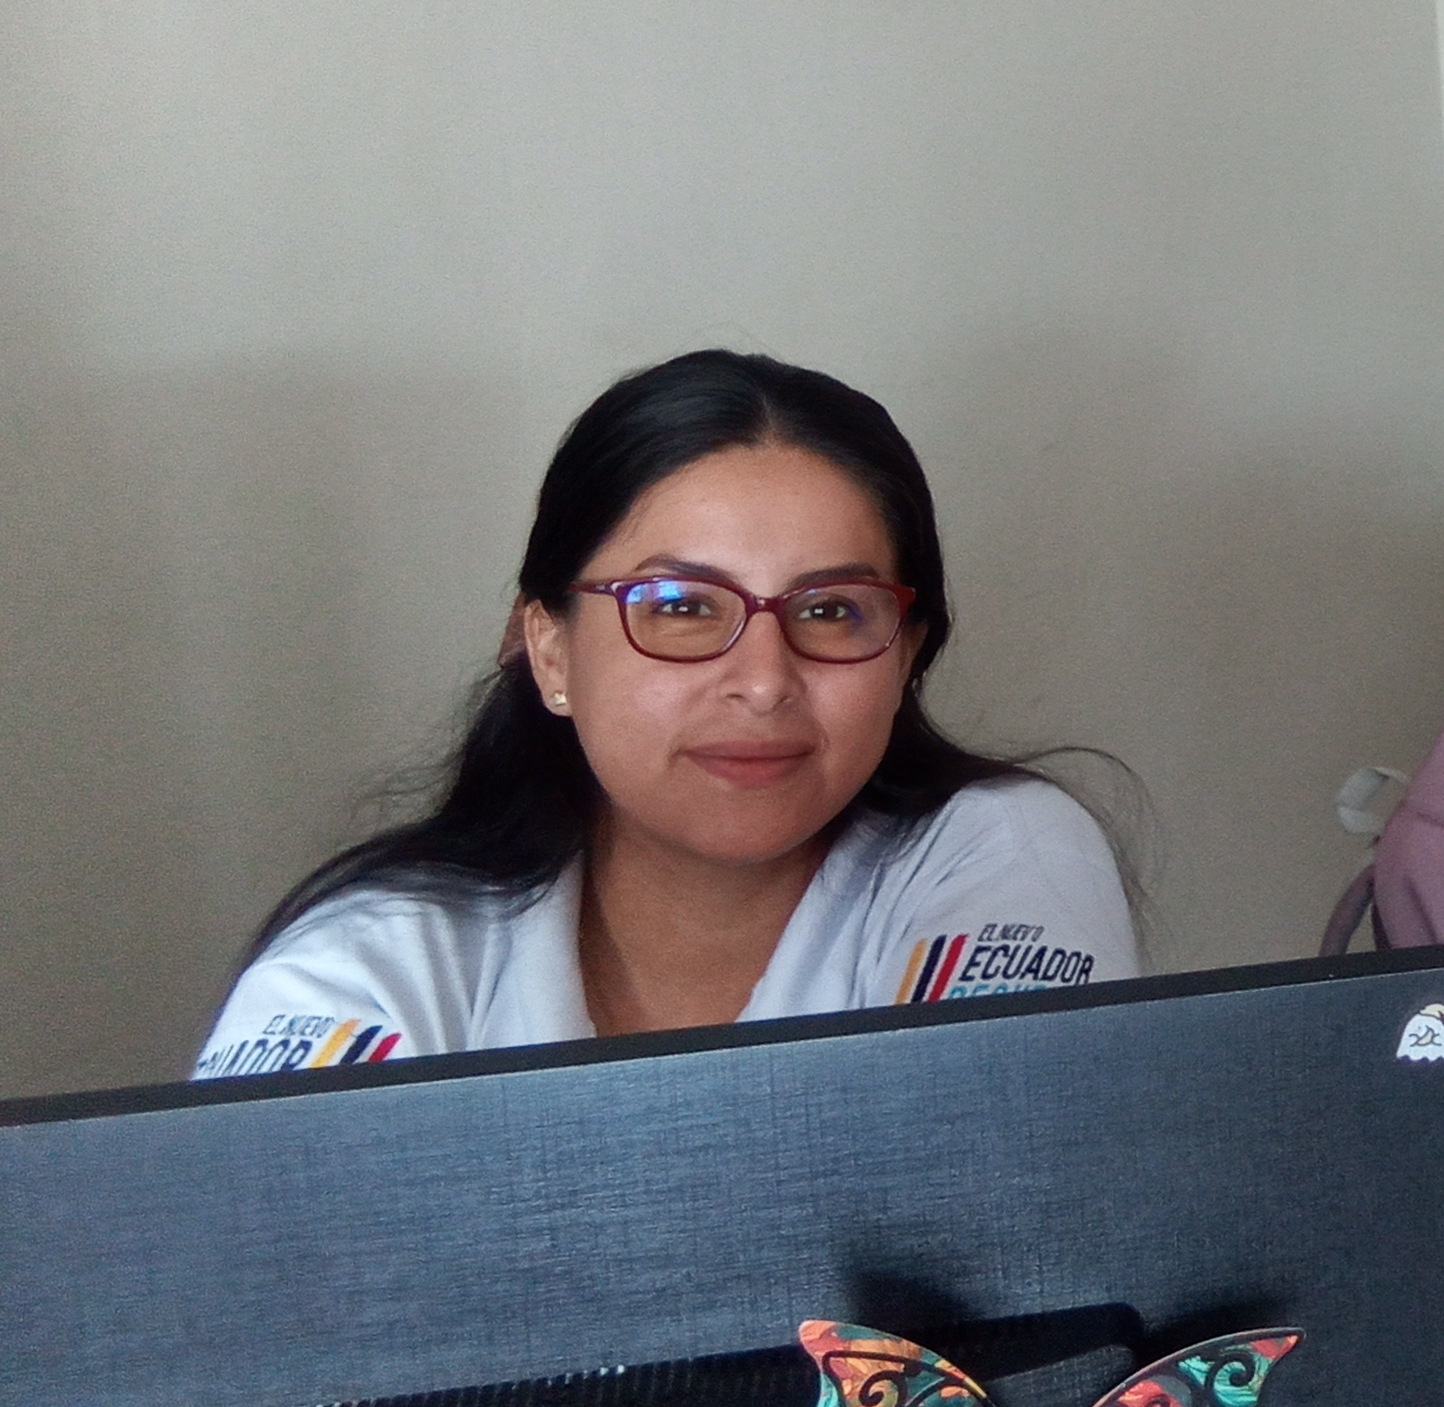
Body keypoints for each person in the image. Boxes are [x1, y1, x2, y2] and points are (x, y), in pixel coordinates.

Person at [196, 350, 1138, 1075]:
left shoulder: (1001, 855)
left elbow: (991, 1205)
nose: (763, 682)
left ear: (906, 655)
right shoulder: (378, 956)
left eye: (830, 611)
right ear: (549, 650)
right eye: (681, 608)